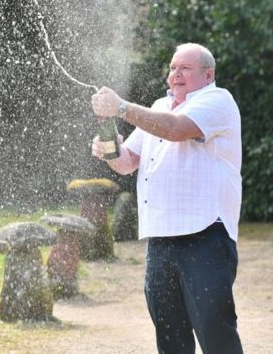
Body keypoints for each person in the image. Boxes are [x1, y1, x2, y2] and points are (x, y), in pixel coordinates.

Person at [91, 43, 243, 354]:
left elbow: (175, 130)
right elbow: (127, 162)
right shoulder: (158, 107)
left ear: (208, 73)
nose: (176, 74)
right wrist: (108, 149)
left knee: (216, 334)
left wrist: (121, 108)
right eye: (173, 68)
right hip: (159, 239)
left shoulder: (218, 100)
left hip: (205, 235)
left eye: (185, 68)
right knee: (170, 336)